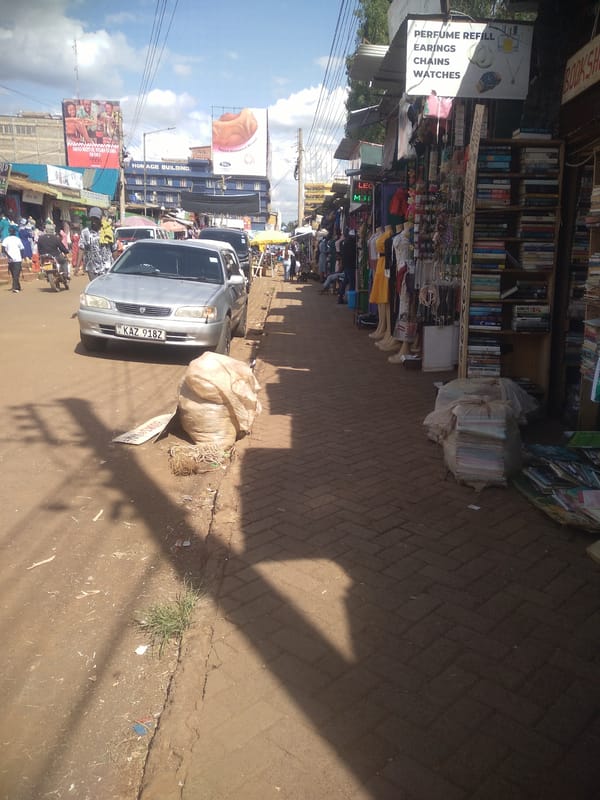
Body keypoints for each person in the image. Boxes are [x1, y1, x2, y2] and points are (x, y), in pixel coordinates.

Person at [77, 207, 115, 280]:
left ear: (100, 218)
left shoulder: (109, 231)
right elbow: (81, 248)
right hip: (92, 268)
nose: (94, 221)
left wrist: (117, 267)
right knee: (94, 289)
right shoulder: (85, 232)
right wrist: (77, 266)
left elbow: (114, 249)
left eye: (96, 219)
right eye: (92, 219)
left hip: (107, 267)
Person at [2, 222, 24, 292]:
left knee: (14, 274)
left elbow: (3, 250)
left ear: (9, 232)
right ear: (14, 232)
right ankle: (17, 286)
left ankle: (15, 288)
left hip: (12, 259)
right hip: (17, 259)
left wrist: (8, 256)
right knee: (15, 274)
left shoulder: (6, 239)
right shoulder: (18, 239)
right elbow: (22, 249)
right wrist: (21, 257)